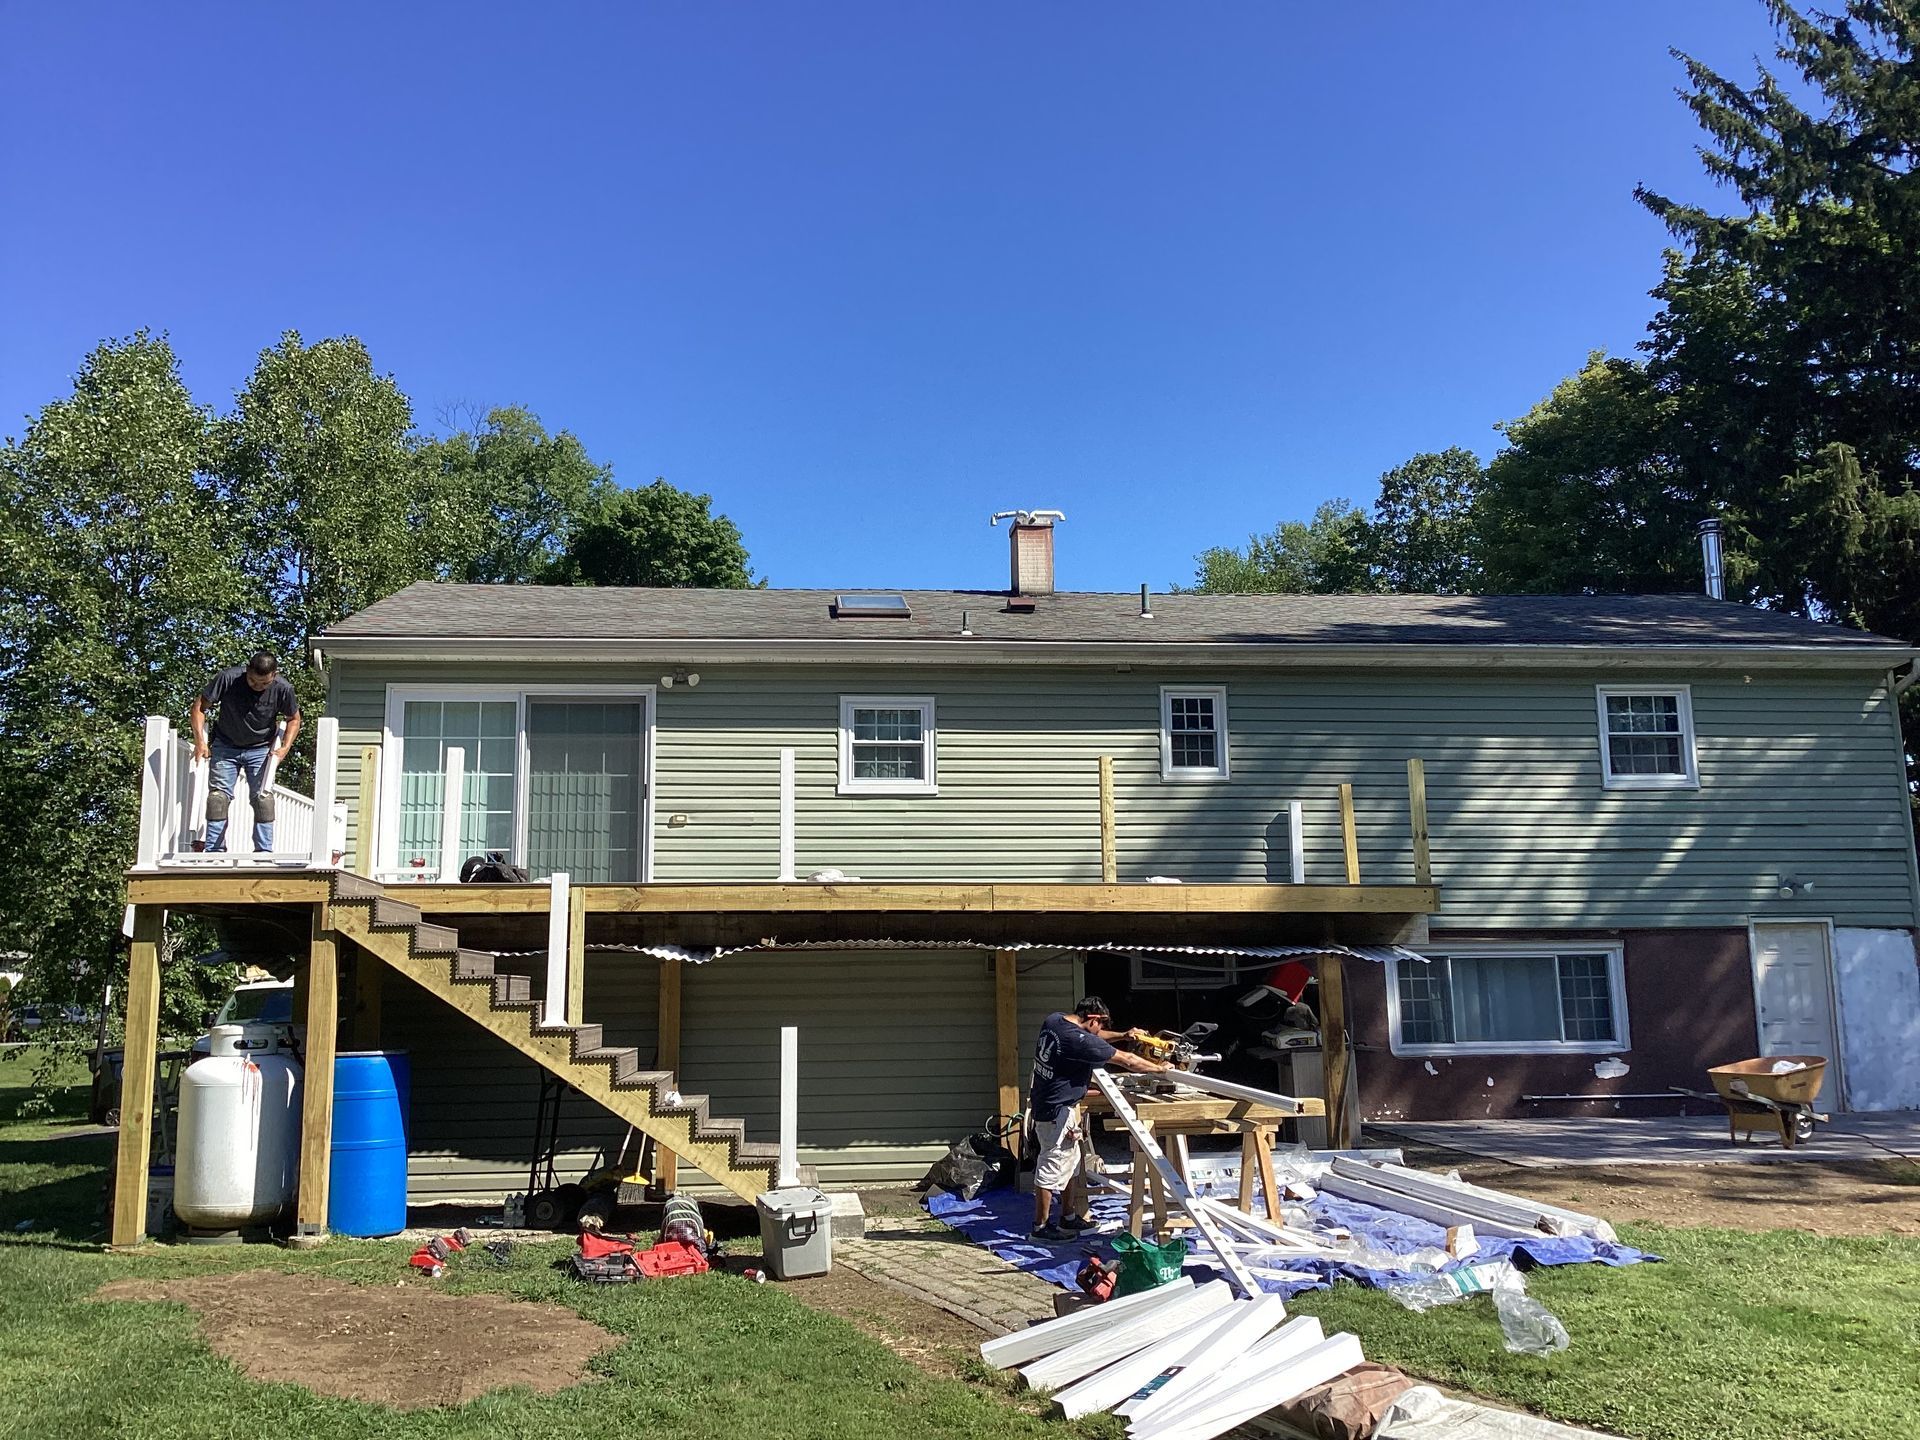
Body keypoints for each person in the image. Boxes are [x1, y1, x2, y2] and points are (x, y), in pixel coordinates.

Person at [1028, 995, 1169, 1241]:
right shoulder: (1077, 1040)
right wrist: (1161, 1069)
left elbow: (1093, 1037)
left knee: (1070, 1163)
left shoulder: (1055, 1021)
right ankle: (1040, 1229)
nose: (1102, 1030)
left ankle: (1068, 1218)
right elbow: (1128, 1061)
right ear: (1093, 1018)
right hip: (1056, 1112)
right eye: (1101, 1024)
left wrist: (1124, 1035)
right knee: (1050, 1168)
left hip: (1053, 1105)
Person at [191, 651, 301, 854]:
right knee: (218, 798)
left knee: (263, 797)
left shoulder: (283, 689)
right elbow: (199, 708)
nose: (257, 686)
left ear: (274, 676)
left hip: (261, 749)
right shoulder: (228, 678)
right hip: (226, 745)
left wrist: (285, 747)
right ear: (247, 670)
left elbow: (294, 718)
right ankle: (215, 850)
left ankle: (263, 852)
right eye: (253, 681)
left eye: (264, 684)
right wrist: (200, 742)